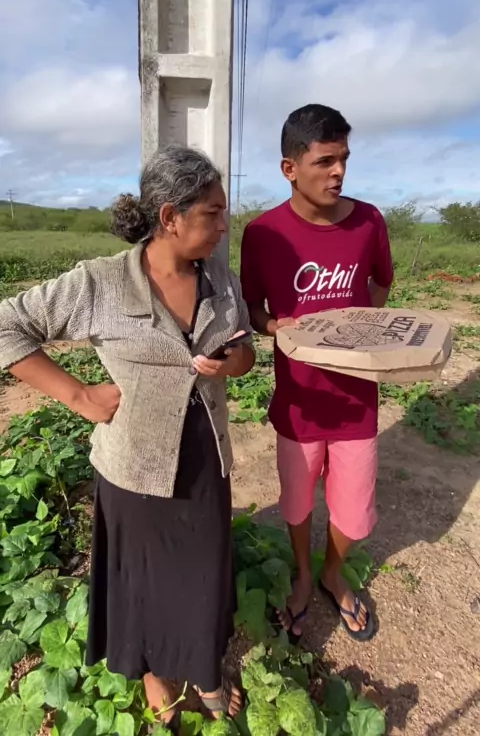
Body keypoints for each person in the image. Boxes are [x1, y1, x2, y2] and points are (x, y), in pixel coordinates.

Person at [0, 145, 255, 726]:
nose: (224, 225)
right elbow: (7, 325)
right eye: (212, 213)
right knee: (143, 580)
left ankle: (205, 670)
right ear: (170, 217)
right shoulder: (100, 284)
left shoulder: (220, 277)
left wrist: (234, 360)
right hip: (134, 466)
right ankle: (153, 673)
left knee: (202, 573)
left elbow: (244, 351)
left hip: (204, 457)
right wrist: (78, 396)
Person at [240, 104, 393, 643]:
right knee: (298, 501)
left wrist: (362, 331)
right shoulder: (263, 233)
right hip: (298, 402)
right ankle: (306, 573)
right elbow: (252, 307)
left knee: (353, 509)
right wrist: (273, 325)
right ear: (290, 168)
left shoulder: (369, 221)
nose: (339, 171)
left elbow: (380, 283)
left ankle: (334, 571)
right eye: (325, 161)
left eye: (344, 158)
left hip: (357, 402)